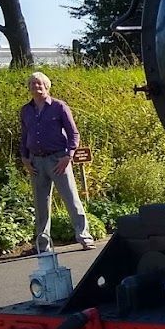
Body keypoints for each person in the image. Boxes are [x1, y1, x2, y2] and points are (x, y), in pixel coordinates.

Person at [20, 71, 95, 253]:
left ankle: (84, 237)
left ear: (47, 86)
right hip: (36, 162)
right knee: (41, 206)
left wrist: (68, 155)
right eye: (32, 84)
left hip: (58, 159)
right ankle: (43, 245)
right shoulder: (25, 110)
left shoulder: (59, 107)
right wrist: (25, 159)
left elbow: (73, 134)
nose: (36, 87)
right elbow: (24, 136)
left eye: (39, 84)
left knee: (71, 199)